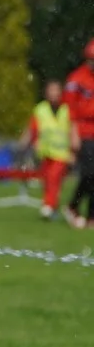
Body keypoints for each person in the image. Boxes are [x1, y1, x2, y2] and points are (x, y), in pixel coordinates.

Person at [20, 80, 72, 221]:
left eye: (56, 91)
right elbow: (33, 129)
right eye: (51, 90)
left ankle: (48, 205)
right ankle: (52, 208)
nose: (54, 94)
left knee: (54, 178)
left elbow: (73, 130)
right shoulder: (40, 109)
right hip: (45, 152)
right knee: (47, 181)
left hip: (62, 153)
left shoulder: (67, 109)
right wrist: (25, 143)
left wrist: (74, 149)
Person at [63, 40, 94, 227]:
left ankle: (91, 216)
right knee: (89, 173)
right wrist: (73, 134)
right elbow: (70, 111)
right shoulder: (76, 80)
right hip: (83, 131)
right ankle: (73, 205)